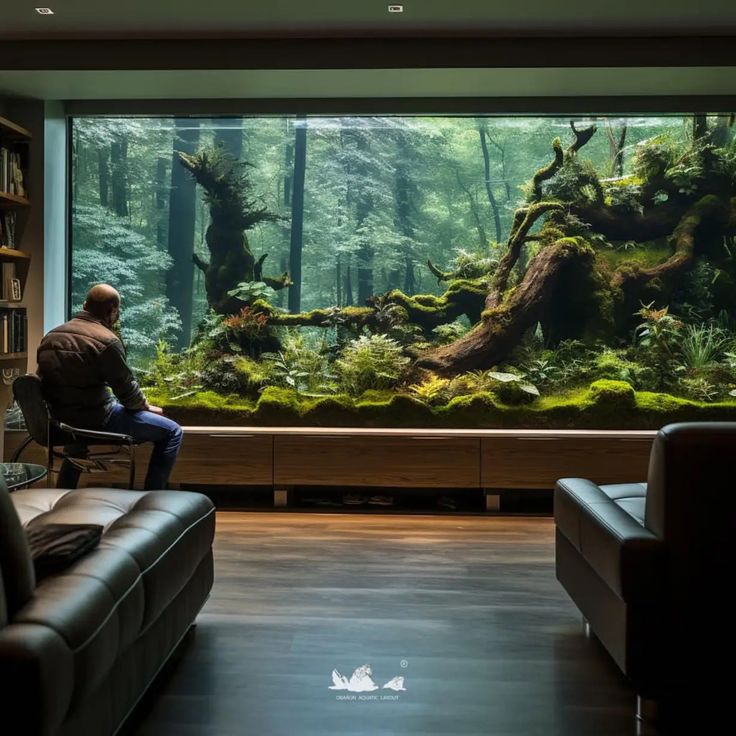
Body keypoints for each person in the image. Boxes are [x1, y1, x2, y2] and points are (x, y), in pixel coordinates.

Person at [37, 284, 183, 490]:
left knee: (77, 432)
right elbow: (127, 392)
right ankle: (153, 495)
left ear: (85, 305)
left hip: (62, 423)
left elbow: (42, 382)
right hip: (97, 420)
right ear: (112, 310)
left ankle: (63, 491)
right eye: (117, 312)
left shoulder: (51, 336)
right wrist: (144, 407)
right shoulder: (106, 341)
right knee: (172, 431)